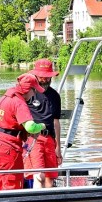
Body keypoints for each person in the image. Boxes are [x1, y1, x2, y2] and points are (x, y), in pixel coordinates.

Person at [0, 73, 45, 190]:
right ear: (28, 89)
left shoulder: (4, 98)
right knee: (12, 188)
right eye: (34, 91)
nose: (34, 94)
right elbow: (31, 127)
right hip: (8, 150)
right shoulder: (19, 102)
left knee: (1, 186)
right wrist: (41, 126)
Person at [24, 59, 62, 188]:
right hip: (34, 138)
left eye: (47, 77)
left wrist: (58, 147)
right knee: (39, 176)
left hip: (50, 139)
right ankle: (37, 199)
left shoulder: (55, 95)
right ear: (35, 76)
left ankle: (49, 200)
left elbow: (56, 122)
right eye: (41, 77)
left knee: (50, 177)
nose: (44, 80)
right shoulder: (28, 93)